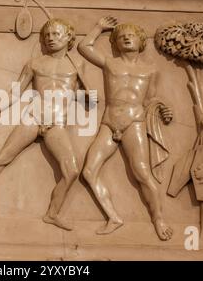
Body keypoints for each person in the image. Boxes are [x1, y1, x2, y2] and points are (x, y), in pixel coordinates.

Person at [0, 18, 95, 230]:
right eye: (47, 35)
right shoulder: (35, 63)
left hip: (57, 123)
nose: (51, 38)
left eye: (56, 34)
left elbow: (85, 96)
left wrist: (90, 96)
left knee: (72, 171)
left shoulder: (77, 65)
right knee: (3, 157)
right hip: (34, 117)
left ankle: (52, 214)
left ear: (68, 38)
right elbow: (16, 92)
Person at [78, 16, 174, 240]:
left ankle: (158, 218)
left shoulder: (151, 70)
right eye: (121, 37)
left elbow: (150, 99)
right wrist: (98, 27)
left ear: (141, 42)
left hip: (134, 122)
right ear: (115, 43)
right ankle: (114, 217)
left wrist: (162, 108)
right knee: (89, 171)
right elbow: (84, 47)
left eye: (130, 35)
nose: (126, 38)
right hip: (110, 122)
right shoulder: (110, 63)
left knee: (141, 172)